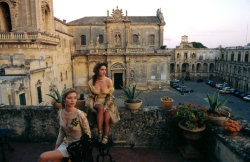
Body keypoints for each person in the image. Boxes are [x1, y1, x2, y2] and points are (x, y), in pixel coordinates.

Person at [38, 88, 91, 162]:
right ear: (64, 99)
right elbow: (62, 131)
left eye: (75, 98)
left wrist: (85, 151)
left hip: (76, 147)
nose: (73, 100)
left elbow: (88, 134)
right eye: (70, 98)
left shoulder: (79, 115)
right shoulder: (60, 112)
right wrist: (56, 146)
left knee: (43, 157)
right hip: (65, 144)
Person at [88, 62, 120, 144]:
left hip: (108, 103)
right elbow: (91, 97)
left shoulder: (109, 81)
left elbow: (110, 97)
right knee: (100, 108)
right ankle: (99, 132)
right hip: (97, 102)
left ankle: (105, 137)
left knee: (106, 119)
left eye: (105, 70)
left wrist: (106, 107)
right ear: (97, 70)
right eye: (102, 69)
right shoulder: (91, 82)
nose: (104, 71)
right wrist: (91, 107)